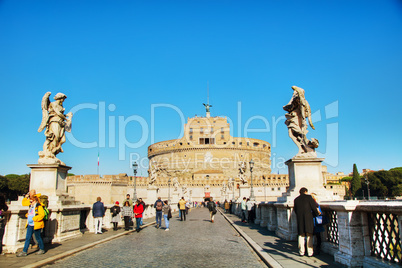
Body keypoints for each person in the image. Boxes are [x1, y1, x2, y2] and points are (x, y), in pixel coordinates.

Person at [294, 187, 320, 257]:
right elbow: (313, 207)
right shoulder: (309, 197)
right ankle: (310, 252)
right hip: (308, 219)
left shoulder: (296, 199)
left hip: (300, 219)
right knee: (309, 234)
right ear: (306, 191)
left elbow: (295, 210)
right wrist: (317, 214)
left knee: (301, 235)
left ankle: (301, 251)